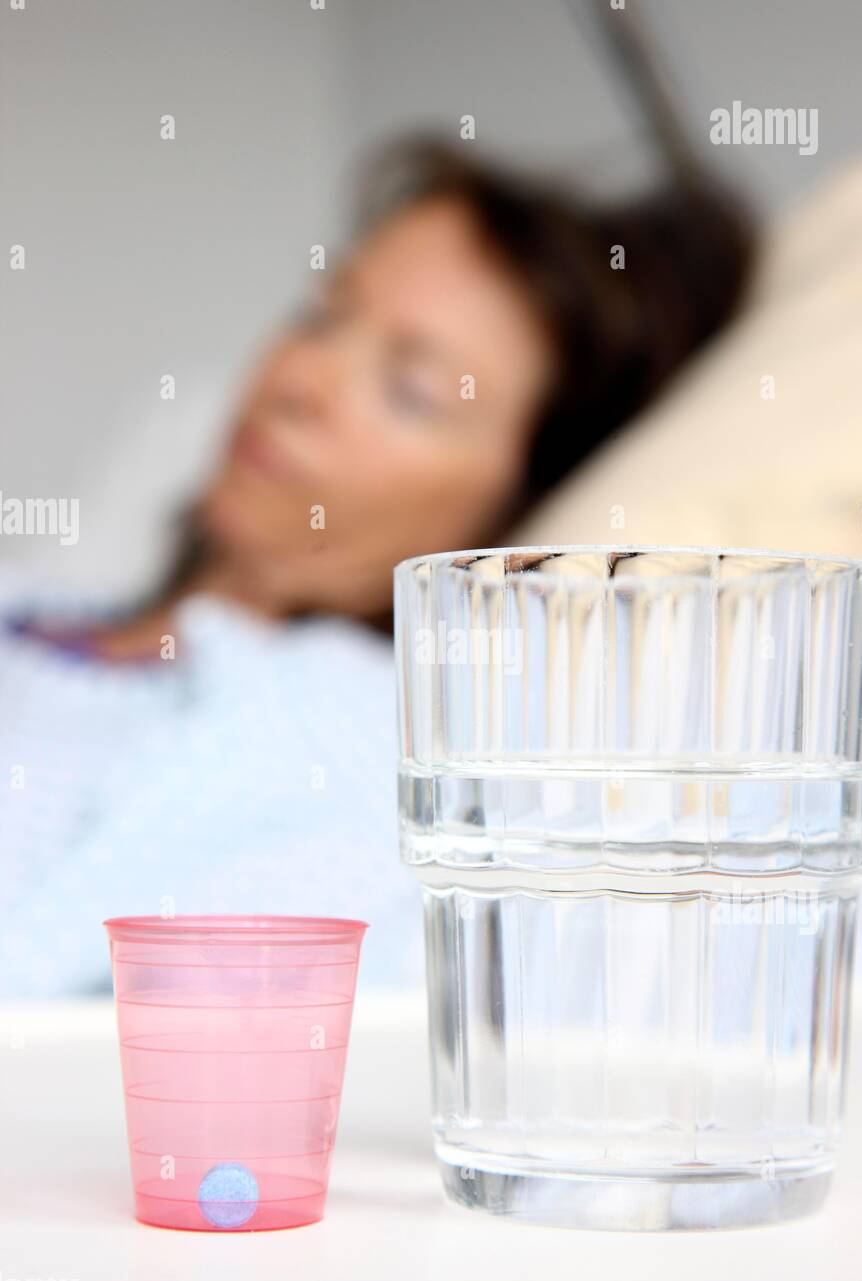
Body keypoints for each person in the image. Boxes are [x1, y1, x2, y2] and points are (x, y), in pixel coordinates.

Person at [0, 140, 754, 996]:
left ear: (508, 515)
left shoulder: (339, 746)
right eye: (323, 316)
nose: (303, 380)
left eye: (411, 392)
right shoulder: (28, 602)